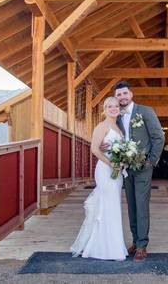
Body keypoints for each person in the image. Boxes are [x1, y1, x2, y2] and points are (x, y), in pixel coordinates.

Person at [105, 80, 165, 262]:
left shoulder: (145, 111)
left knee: (141, 204)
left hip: (143, 167)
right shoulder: (117, 116)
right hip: (125, 167)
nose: (122, 97)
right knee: (131, 205)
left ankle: (142, 246)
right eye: (118, 95)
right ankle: (135, 240)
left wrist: (151, 161)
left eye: (124, 94)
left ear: (130, 94)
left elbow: (159, 136)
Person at [70, 96, 128, 260]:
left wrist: (122, 161)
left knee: (113, 206)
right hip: (105, 170)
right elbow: (95, 149)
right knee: (106, 206)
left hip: (116, 172)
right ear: (105, 109)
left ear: (119, 108)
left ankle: (114, 245)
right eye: (109, 106)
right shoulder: (101, 126)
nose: (113, 108)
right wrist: (112, 164)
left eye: (116, 106)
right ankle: (101, 248)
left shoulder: (118, 127)